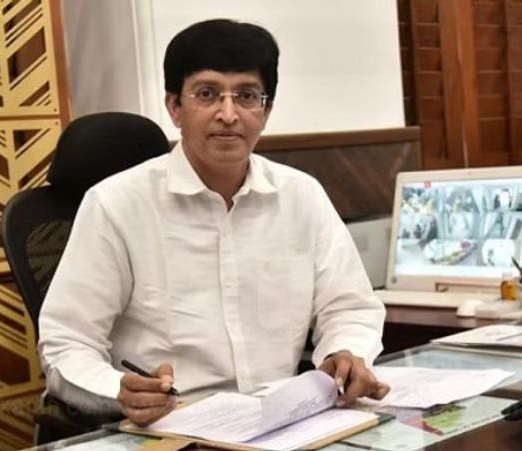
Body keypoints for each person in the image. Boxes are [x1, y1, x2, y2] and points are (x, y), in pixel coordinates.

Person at [38, 18, 389, 427]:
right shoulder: (116, 205)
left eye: (246, 95)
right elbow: (67, 344)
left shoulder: (301, 195)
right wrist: (118, 390)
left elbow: (349, 305)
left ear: (266, 109)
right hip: (168, 429)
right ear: (175, 107)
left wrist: (343, 353)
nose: (228, 114)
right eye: (207, 94)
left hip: (281, 422)